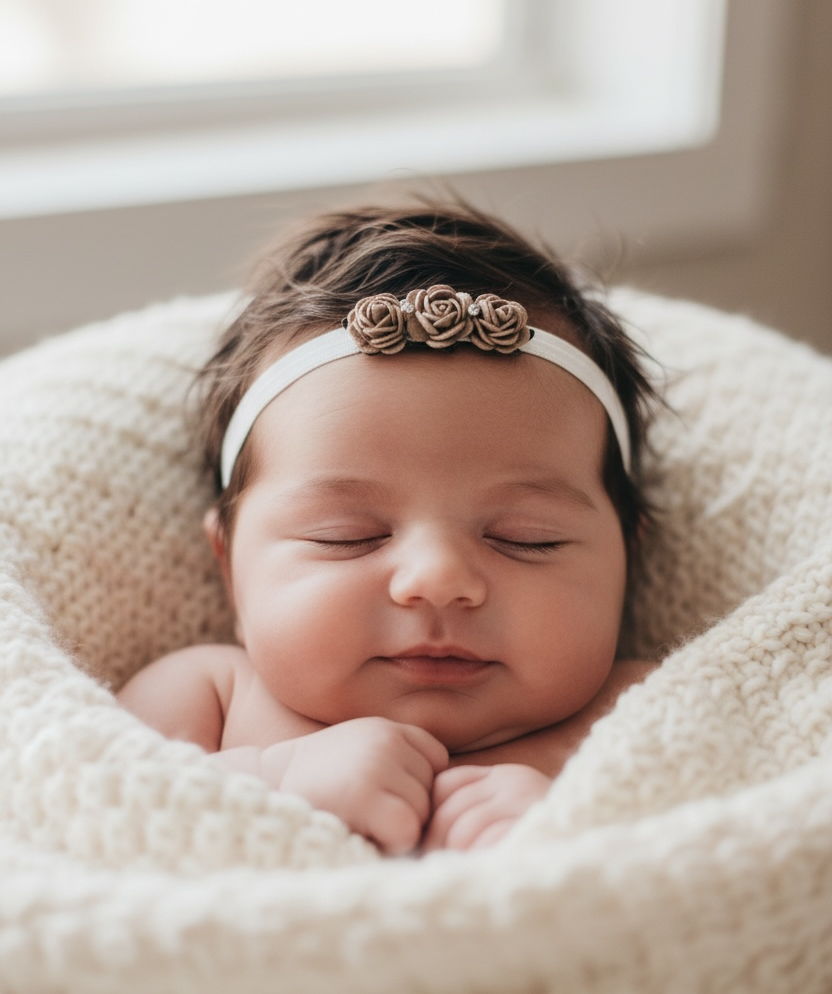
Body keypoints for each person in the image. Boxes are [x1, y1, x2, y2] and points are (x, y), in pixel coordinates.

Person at [118, 202, 659, 855]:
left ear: (625, 562)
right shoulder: (210, 697)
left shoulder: (640, 711)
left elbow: (729, 857)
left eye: (527, 536)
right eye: (346, 535)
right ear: (230, 568)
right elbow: (100, 814)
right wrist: (274, 776)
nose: (438, 580)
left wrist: (579, 823)